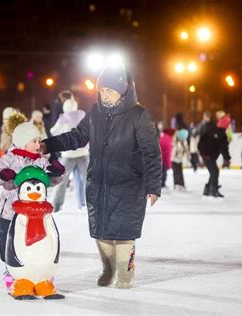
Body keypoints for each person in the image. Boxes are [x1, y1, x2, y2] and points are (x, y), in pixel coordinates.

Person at [41, 63, 161, 289]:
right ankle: (108, 268)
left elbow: (152, 154)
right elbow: (76, 137)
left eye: (109, 90)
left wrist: (153, 186)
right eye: (102, 90)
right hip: (99, 183)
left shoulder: (139, 116)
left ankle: (125, 272)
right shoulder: (95, 112)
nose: (104, 95)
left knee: (125, 232)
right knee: (101, 230)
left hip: (129, 184)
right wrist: (48, 145)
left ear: (123, 89)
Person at [0, 115, 64, 290]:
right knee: (7, 241)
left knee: (39, 242)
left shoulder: (41, 160)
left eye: (39, 141)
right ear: (23, 143)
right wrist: (3, 175)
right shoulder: (11, 158)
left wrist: (57, 173)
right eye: (35, 141)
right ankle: (10, 270)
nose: (39, 145)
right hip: (9, 212)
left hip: (35, 213)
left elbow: (50, 180)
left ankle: (41, 272)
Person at [49, 98, 89, 211]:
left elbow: (53, 131)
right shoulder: (82, 114)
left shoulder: (63, 118)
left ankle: (56, 205)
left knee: (61, 180)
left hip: (68, 153)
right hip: (83, 152)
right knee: (89, 179)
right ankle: (95, 203)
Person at [198, 111, 231, 198]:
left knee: (214, 172)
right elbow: (224, 148)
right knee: (214, 172)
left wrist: (227, 158)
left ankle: (208, 189)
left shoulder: (218, 131)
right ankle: (213, 190)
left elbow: (224, 148)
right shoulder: (217, 131)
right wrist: (227, 158)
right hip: (207, 154)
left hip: (208, 154)